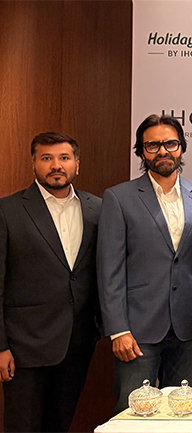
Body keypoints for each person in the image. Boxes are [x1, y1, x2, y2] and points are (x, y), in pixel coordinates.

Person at [97, 114, 192, 413]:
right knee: (134, 415)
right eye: (152, 145)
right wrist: (118, 330)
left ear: (182, 147)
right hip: (137, 331)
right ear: (141, 151)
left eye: (170, 143)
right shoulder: (119, 198)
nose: (163, 151)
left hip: (190, 328)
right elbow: (109, 270)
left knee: (184, 413)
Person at [0, 132, 101, 432]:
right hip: (24, 347)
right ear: (33, 163)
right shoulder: (8, 211)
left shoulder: (97, 208)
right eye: (47, 158)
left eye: (64, 158)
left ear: (77, 165)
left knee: (60, 426)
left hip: (77, 343)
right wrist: (0, 346)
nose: (56, 165)